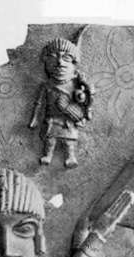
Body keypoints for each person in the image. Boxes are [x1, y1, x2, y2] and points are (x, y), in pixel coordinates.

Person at [29, 38, 93, 168]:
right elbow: (38, 103)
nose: (59, 62)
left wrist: (84, 91)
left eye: (66, 58)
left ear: (74, 63)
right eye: (53, 57)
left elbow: (85, 99)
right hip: (52, 119)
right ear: (46, 61)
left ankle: (71, 157)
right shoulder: (46, 85)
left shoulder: (75, 84)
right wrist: (34, 119)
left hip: (68, 119)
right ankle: (48, 155)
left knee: (69, 141)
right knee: (50, 140)